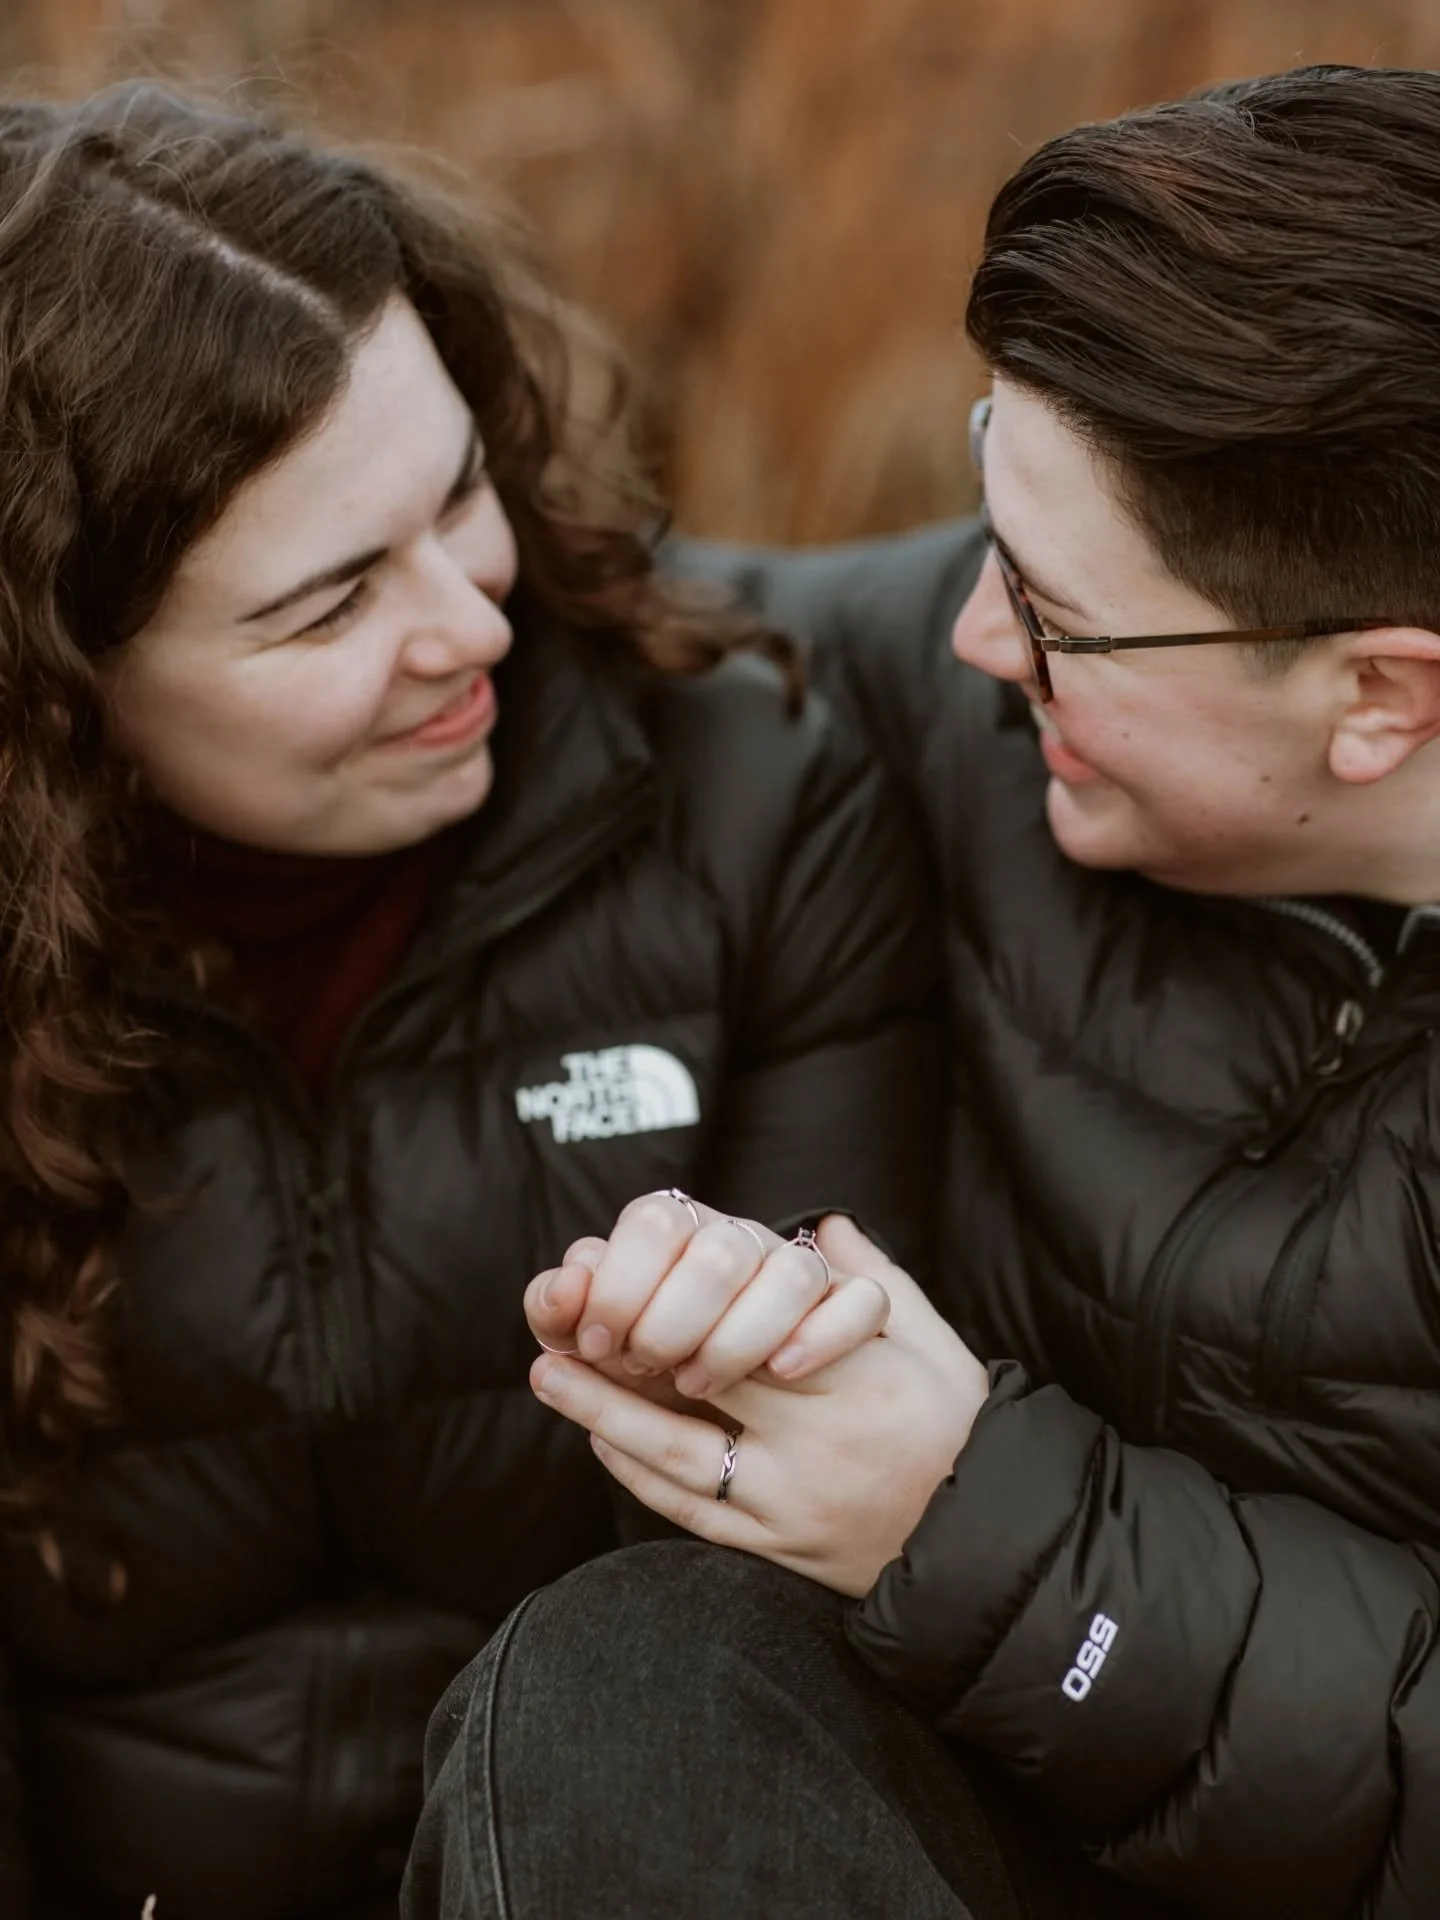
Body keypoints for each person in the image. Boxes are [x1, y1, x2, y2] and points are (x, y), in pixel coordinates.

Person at [405, 63, 1440, 1920]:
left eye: (1053, 616)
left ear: (1381, 698)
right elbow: (619, 655)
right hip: (945, 1824)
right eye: (984, 490)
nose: (972, 634)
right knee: (638, 1687)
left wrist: (976, 1523)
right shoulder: (970, 703)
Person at [0, 82, 941, 1919]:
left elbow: (764, 1633)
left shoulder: (754, 801)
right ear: (57, 684)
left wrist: (754, 1345)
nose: (476, 623)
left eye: (460, 498)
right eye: (332, 601)